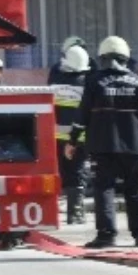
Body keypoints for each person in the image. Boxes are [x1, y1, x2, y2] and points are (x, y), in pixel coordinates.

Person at [66, 36, 138, 248]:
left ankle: (106, 236)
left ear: (103, 57)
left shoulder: (94, 81)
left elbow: (82, 115)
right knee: (136, 190)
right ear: (126, 57)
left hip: (102, 146)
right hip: (134, 147)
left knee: (104, 189)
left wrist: (72, 141)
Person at [49, 45, 90, 224]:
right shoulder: (86, 82)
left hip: (56, 136)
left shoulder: (55, 80)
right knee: (78, 173)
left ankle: (54, 210)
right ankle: (75, 213)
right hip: (79, 138)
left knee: (60, 172)